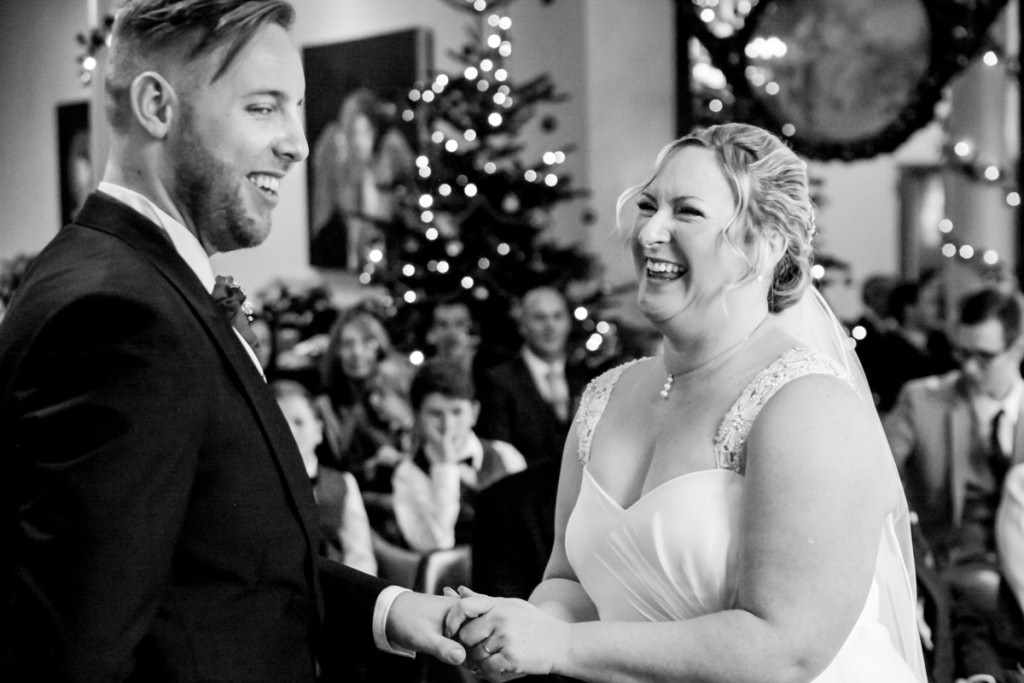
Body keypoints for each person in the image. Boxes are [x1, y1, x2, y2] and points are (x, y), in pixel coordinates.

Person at [0, 2, 464, 680]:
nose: (300, 143)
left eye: (298, 107)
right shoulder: (118, 318)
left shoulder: (141, 285)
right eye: (264, 107)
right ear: (157, 106)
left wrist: (388, 609)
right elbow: (76, 655)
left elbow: (213, 562)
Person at [442, 123, 926, 682]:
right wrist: (520, 632)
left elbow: (784, 650)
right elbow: (569, 581)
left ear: (765, 244)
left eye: (687, 212)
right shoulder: (606, 395)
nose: (650, 232)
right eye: (649, 205)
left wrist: (562, 647)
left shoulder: (808, 406)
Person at [391, 359, 526, 552]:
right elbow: (435, 545)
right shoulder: (407, 474)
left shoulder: (506, 455)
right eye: (436, 414)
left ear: (474, 412)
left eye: (456, 412)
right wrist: (445, 468)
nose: (448, 426)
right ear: (417, 417)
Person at [476, 286, 591, 465]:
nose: (550, 326)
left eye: (557, 316)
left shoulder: (586, 376)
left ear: (568, 323)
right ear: (522, 326)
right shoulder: (498, 381)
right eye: (540, 318)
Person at [274, 379, 377, 575]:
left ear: (318, 430)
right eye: (278, 423)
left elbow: (359, 553)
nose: (288, 432)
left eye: (299, 422)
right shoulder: (260, 485)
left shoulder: (342, 482)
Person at [309, 87, 414, 271]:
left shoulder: (391, 146)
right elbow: (327, 200)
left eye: (366, 131)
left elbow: (409, 181)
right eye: (353, 132)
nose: (359, 141)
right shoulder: (333, 144)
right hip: (343, 238)